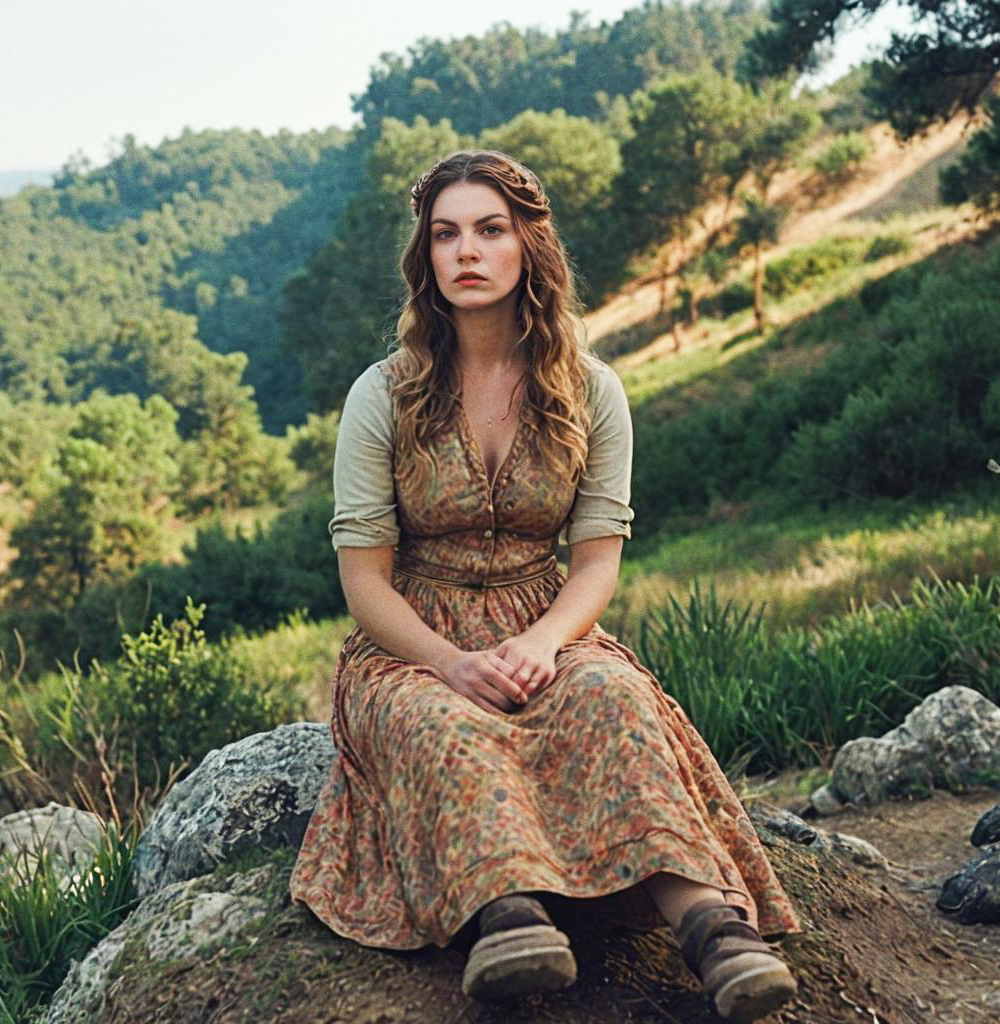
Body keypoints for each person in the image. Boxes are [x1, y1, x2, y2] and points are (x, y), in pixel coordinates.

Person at [289, 150, 801, 1022]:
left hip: (547, 618)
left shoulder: (591, 391)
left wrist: (543, 643)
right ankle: (509, 920)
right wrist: (450, 662)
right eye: (446, 234)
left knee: (613, 702)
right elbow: (363, 582)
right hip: (414, 637)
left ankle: (712, 929)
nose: (467, 252)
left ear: (529, 244)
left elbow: (597, 559)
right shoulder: (382, 395)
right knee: (443, 725)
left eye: (490, 230)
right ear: (426, 256)